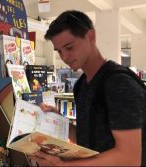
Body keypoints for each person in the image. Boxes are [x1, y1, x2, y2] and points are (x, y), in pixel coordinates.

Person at [29, 10, 145, 166]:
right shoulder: (81, 85)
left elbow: (129, 158)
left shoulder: (119, 83)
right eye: (59, 51)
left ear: (91, 36)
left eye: (69, 47)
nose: (64, 57)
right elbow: (89, 140)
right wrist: (60, 123)